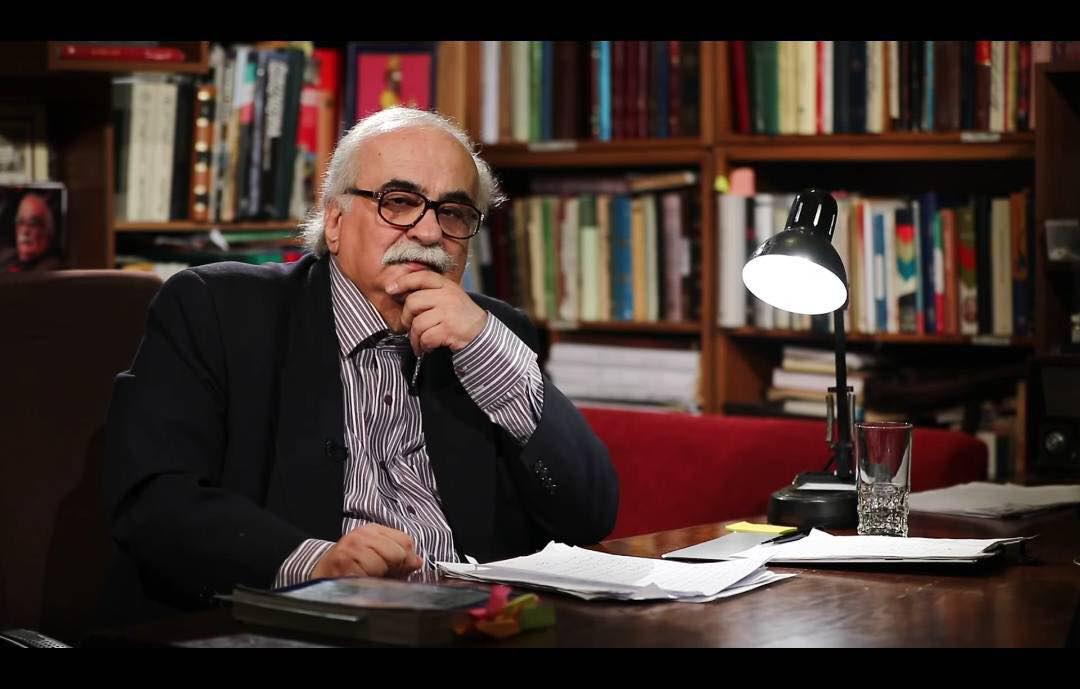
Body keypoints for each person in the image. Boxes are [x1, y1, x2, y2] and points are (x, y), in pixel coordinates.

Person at [101, 107, 619, 623]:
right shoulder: (216, 309)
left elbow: (589, 514)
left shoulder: (492, 333)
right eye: (399, 202)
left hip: (466, 626)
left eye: (454, 212)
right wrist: (315, 564)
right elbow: (155, 500)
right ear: (335, 222)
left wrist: (489, 351)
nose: (430, 232)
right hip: (292, 626)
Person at [4, 191, 61, 272]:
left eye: (32, 223)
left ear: (48, 232)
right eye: (20, 222)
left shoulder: (51, 270)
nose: (25, 231)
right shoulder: (7, 258)